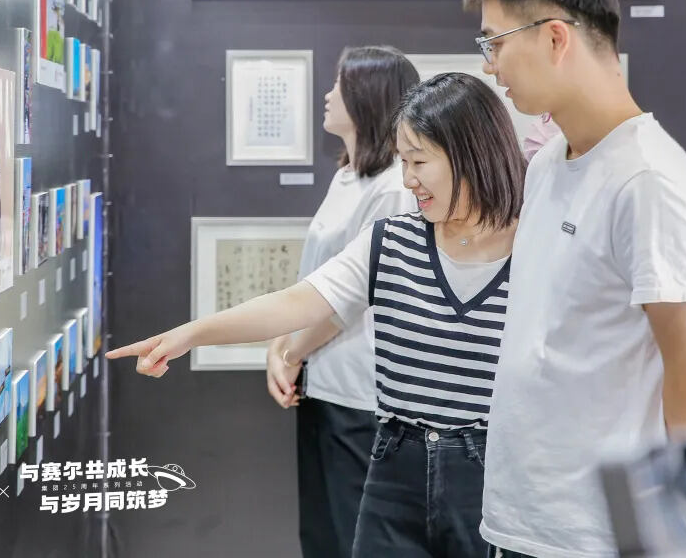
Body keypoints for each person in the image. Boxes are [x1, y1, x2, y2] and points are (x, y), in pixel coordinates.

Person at [107, 73, 527, 558]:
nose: (408, 179)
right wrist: (190, 335)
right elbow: (295, 303)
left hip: (489, 470)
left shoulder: (534, 243)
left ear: (468, 154)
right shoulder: (391, 241)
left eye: (419, 161)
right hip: (396, 466)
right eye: (403, 161)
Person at [465, 0, 686, 558]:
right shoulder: (548, 162)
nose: (488, 65)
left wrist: (677, 536)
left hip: (599, 537)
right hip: (520, 523)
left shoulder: (648, 179)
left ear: (555, 38)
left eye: (494, 42)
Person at [265, 45, 418, 558]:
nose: (329, 95)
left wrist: (291, 353)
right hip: (320, 380)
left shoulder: (394, 188)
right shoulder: (350, 175)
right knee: (323, 533)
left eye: (340, 84)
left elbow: (352, 297)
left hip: (360, 392)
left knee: (352, 536)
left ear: (369, 96)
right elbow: (315, 278)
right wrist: (282, 348)